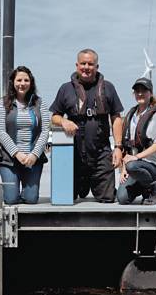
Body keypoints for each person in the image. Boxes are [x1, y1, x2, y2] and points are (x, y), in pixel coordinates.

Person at [50, 48, 124, 202]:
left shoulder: (108, 87)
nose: (86, 67)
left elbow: (116, 117)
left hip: (101, 152)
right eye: (83, 63)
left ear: (97, 67)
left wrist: (118, 147)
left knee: (108, 198)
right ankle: (82, 186)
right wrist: (64, 121)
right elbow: (54, 117)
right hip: (74, 154)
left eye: (91, 64)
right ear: (77, 65)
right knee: (66, 197)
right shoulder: (65, 89)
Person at [0, 66, 50, 204]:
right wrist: (17, 153)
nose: (22, 83)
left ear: (31, 82)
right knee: (11, 199)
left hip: (32, 159)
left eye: (26, 80)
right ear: (13, 82)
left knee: (31, 199)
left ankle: (26, 189)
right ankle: (11, 190)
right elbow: (0, 131)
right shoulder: (3, 103)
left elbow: (45, 131)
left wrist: (34, 154)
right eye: (19, 80)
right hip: (10, 159)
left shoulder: (40, 103)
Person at [117, 77, 156, 205]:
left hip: (152, 166)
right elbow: (126, 146)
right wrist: (123, 170)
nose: (140, 94)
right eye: (137, 91)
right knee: (122, 199)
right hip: (134, 167)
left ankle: (151, 189)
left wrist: (136, 157)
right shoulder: (131, 115)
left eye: (144, 90)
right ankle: (142, 187)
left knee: (132, 165)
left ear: (150, 93)